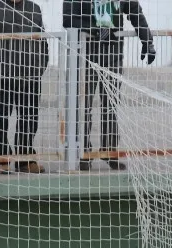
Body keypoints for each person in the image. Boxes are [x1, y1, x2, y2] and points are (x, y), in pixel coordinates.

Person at [62, 0, 156, 172]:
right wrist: (96, 30)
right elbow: (68, 19)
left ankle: (109, 152)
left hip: (113, 56)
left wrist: (147, 41)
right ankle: (84, 153)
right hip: (85, 57)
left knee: (111, 106)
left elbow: (135, 12)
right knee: (83, 107)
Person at [0, 0, 49, 175]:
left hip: (30, 76)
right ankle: (2, 159)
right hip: (2, 77)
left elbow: (42, 40)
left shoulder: (34, 9)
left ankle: (25, 159)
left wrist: (40, 66)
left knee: (29, 118)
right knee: (0, 118)